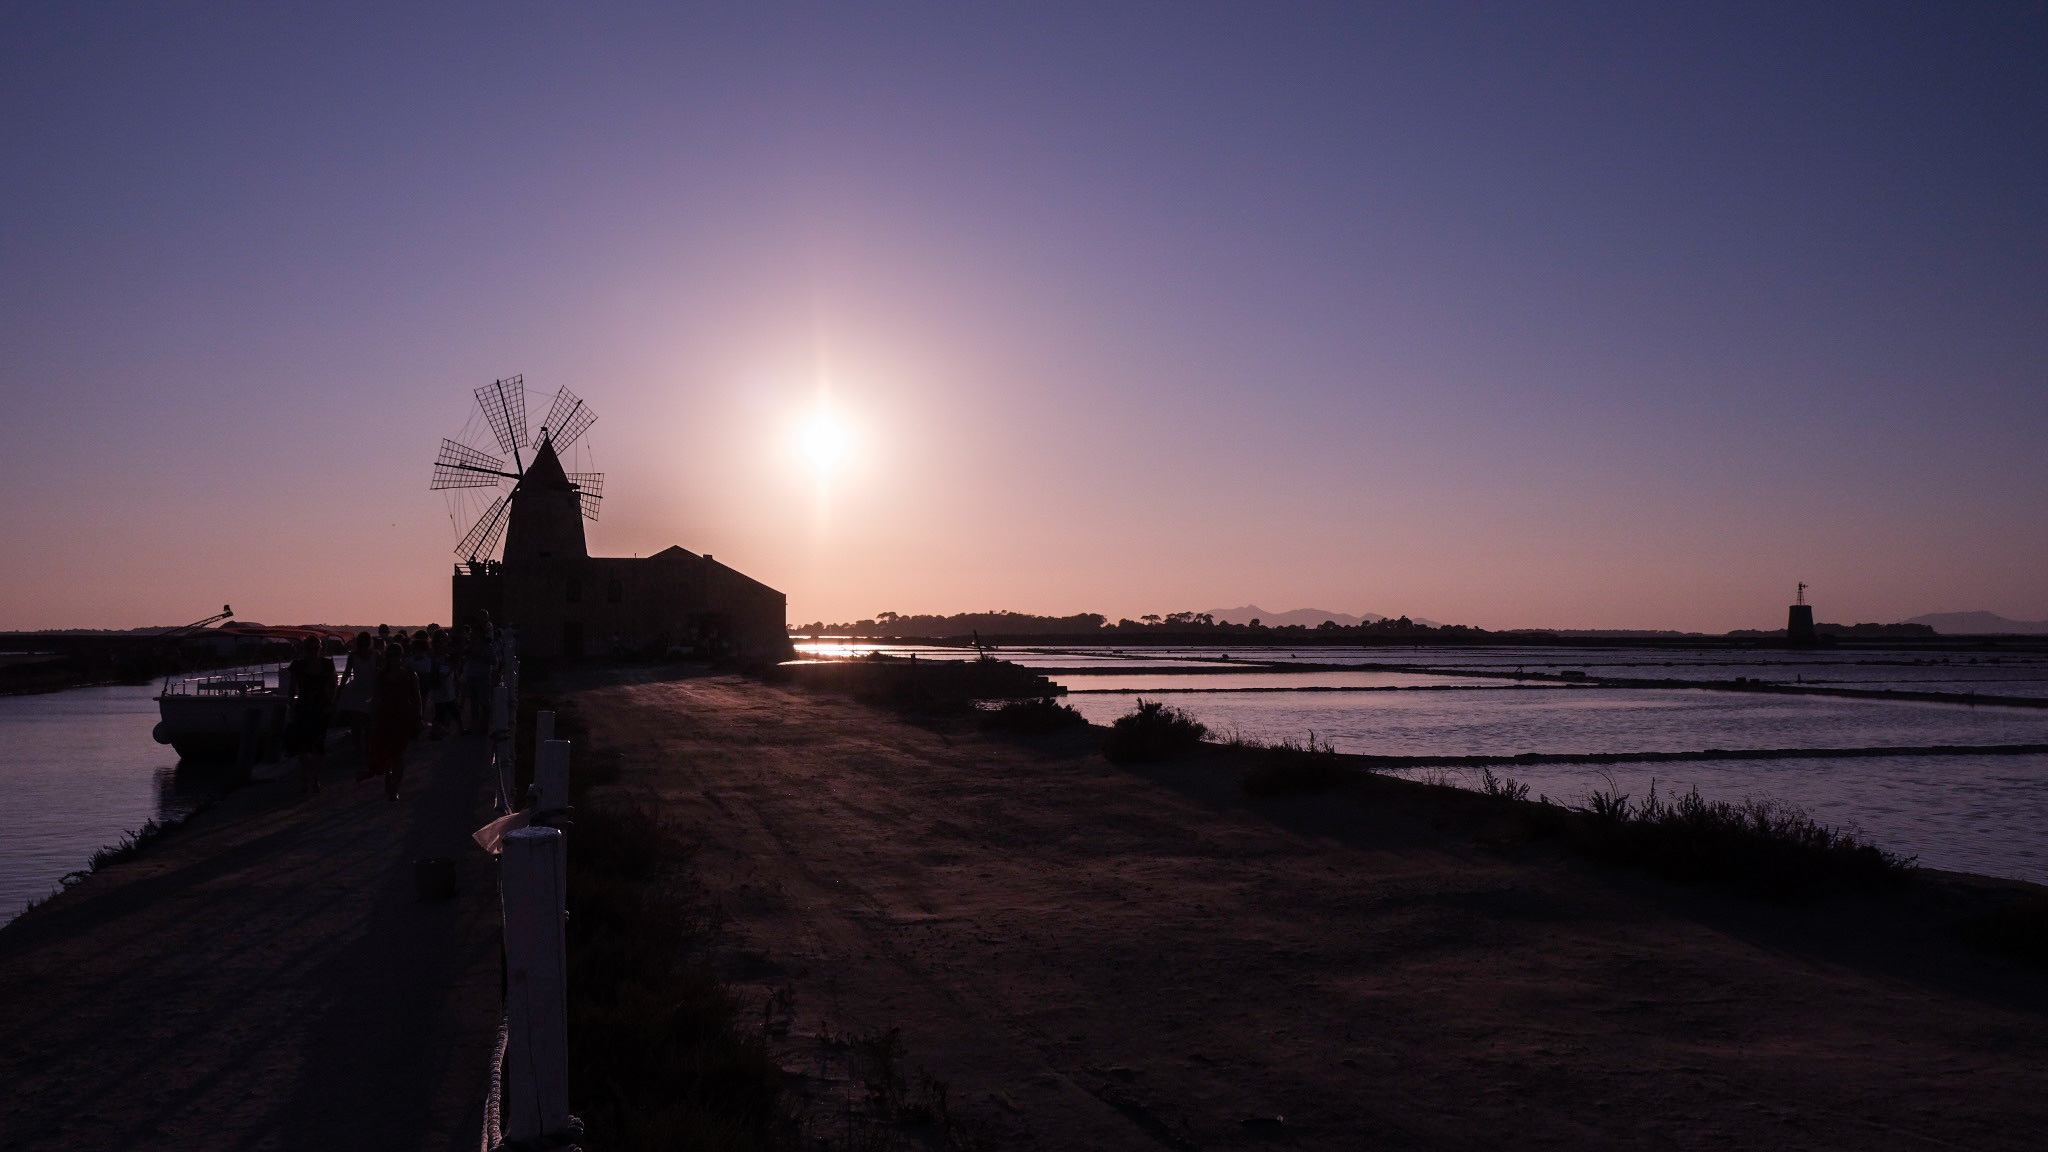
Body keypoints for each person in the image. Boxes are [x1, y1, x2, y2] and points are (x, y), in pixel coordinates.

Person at [363, 641, 422, 800]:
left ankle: (395, 787)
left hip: (403, 717)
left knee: (399, 755)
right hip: (385, 717)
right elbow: (375, 699)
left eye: (397, 655)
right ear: (387, 657)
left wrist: (418, 718)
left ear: (402, 656)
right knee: (387, 754)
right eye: (391, 655)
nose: (394, 658)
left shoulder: (410, 675)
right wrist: (372, 719)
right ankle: (389, 780)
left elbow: (417, 698)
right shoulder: (380, 676)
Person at [283, 636, 336, 795]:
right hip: (304, 706)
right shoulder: (298, 665)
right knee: (302, 745)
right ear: (304, 649)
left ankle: (315, 778)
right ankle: (306, 776)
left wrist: (332, 704)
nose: (313, 651)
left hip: (321, 707)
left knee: (319, 744)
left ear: (320, 648)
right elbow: (292, 688)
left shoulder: (327, 664)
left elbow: (333, 685)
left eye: (316, 648)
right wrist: (290, 707)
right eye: (309, 648)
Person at [335, 632, 376, 758]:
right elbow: (347, 673)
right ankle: (360, 748)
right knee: (358, 722)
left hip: (369, 690)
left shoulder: (375, 655)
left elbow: (347, 674)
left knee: (365, 722)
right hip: (358, 691)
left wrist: (340, 690)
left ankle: (364, 748)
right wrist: (340, 690)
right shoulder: (354, 656)